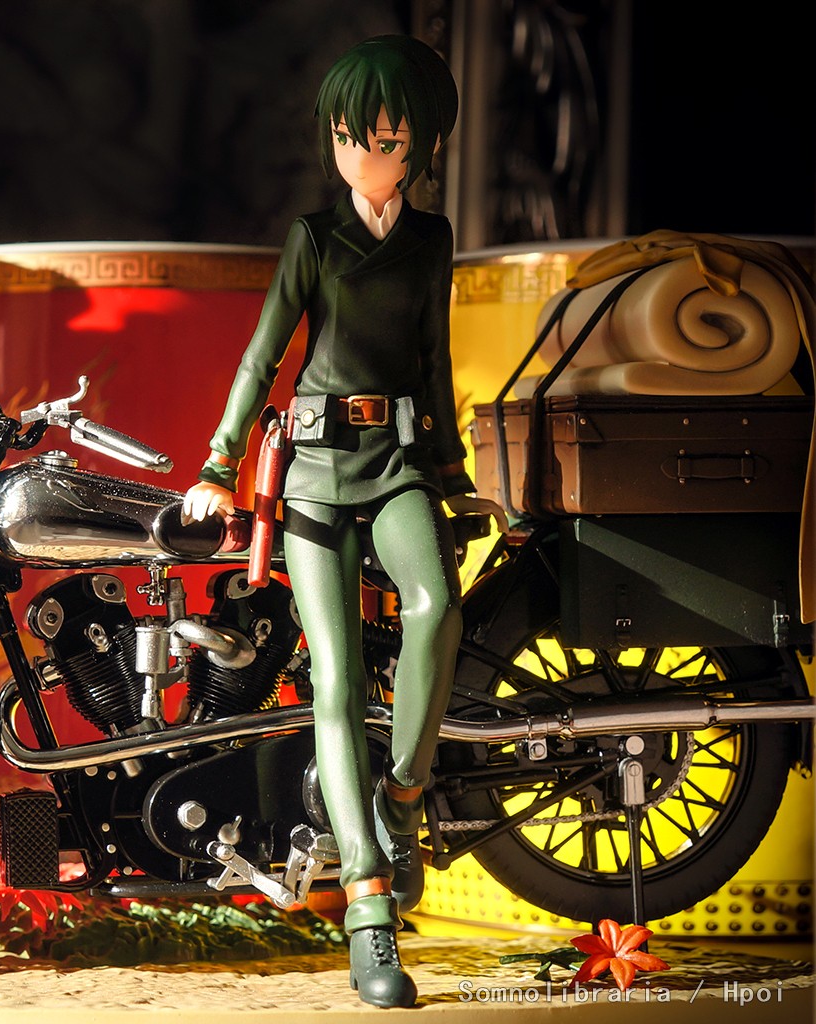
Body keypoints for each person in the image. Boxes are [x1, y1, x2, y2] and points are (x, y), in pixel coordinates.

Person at [182, 35, 501, 1009]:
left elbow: (433, 358)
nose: (361, 154)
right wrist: (219, 462)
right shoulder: (313, 239)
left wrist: (451, 471)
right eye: (346, 137)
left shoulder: (431, 240)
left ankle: (400, 795)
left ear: (422, 148)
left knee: (435, 606)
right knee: (333, 678)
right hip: (316, 475)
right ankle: (369, 910)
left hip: (396, 464)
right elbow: (262, 356)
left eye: (385, 140)